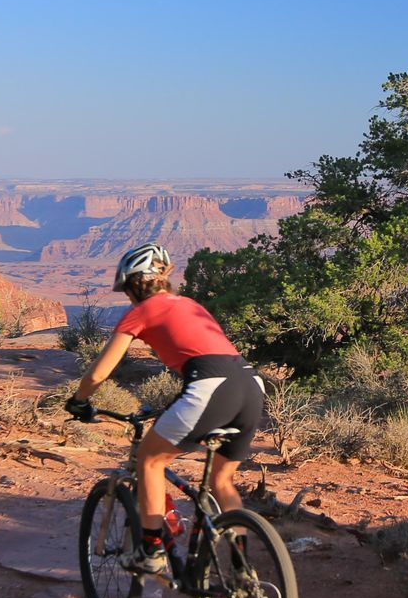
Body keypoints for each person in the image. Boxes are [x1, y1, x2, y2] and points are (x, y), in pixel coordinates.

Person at [64, 243, 265, 574]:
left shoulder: (140, 312)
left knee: (150, 459)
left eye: (127, 290)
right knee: (223, 480)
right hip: (250, 383)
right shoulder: (189, 304)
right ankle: (243, 571)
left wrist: (79, 400)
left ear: (134, 285)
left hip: (210, 385)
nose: (128, 298)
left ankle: (152, 552)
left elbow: (100, 372)